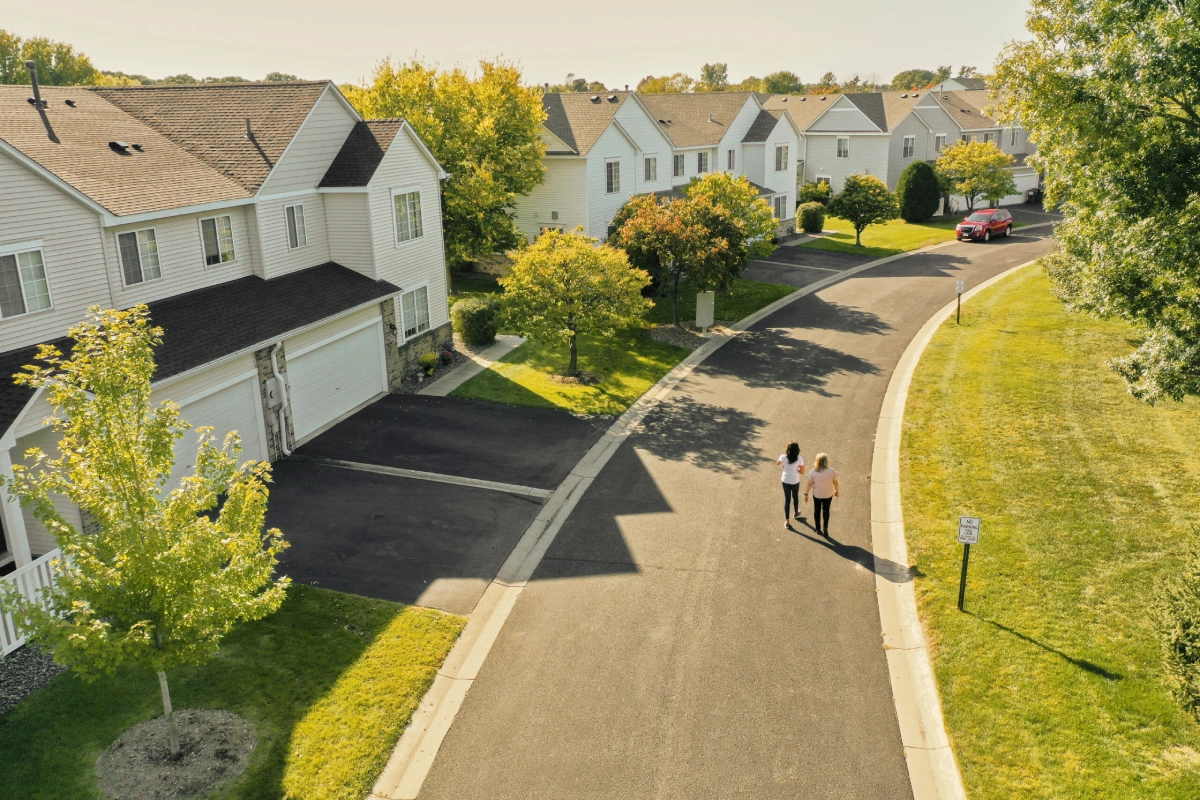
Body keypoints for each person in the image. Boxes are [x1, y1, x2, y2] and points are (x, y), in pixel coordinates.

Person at [804, 453, 840, 537]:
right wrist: (837, 491)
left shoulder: (813, 472)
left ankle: (818, 528)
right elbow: (836, 483)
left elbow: (809, 484)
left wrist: (806, 494)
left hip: (817, 495)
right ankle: (825, 527)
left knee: (817, 510)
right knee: (826, 510)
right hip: (828, 494)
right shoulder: (832, 471)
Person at [776, 442, 806, 528]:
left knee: (787, 499)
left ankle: (787, 521)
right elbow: (803, 472)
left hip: (785, 480)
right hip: (795, 480)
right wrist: (797, 469)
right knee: (795, 496)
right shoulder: (799, 459)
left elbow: (778, 463)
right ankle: (796, 512)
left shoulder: (783, 457)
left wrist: (784, 464)